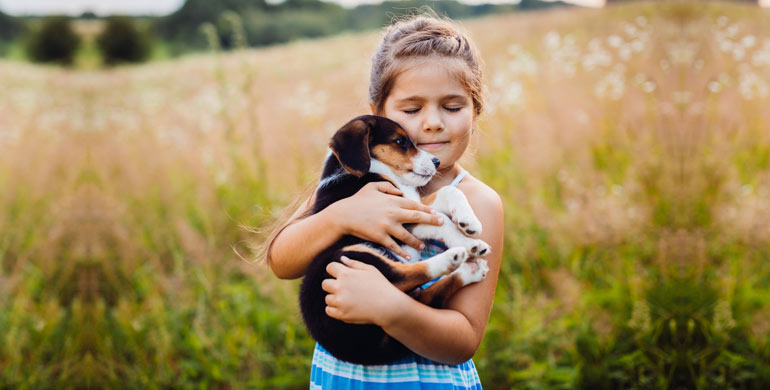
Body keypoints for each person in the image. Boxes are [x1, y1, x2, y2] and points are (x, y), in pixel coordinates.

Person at [263, 14, 504, 389]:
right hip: (343, 377)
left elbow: (464, 340)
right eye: (411, 109)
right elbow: (281, 262)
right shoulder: (349, 184)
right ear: (377, 115)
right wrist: (339, 218)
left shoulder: (478, 202)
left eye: (453, 107)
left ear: (476, 111)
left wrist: (391, 309)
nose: (432, 123)